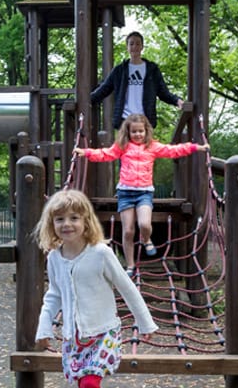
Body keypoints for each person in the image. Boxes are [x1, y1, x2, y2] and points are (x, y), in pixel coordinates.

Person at [33, 189, 157, 388]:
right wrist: (44, 327)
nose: (67, 224)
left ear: (86, 221)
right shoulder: (54, 257)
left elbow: (127, 288)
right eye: (60, 219)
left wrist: (144, 322)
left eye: (74, 218)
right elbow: (53, 294)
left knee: (90, 383)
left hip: (103, 333)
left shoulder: (100, 253)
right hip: (73, 337)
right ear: (51, 224)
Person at [74, 113, 210, 274]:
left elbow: (173, 150)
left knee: (144, 224)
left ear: (146, 131)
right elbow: (105, 154)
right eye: (134, 132)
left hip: (144, 192)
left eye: (141, 131)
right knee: (128, 231)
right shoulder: (122, 147)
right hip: (125, 192)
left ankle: (146, 239)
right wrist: (87, 152)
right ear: (128, 132)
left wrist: (195, 147)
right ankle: (130, 265)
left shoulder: (152, 146)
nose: (138, 135)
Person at [90, 31, 184, 130]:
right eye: (131, 44)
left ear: (142, 47)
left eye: (138, 43)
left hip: (145, 120)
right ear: (127, 47)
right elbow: (104, 89)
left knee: (146, 146)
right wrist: (87, 100)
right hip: (125, 120)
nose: (134, 46)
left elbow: (163, 92)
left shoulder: (152, 69)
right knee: (125, 146)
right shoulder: (119, 70)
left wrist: (176, 100)